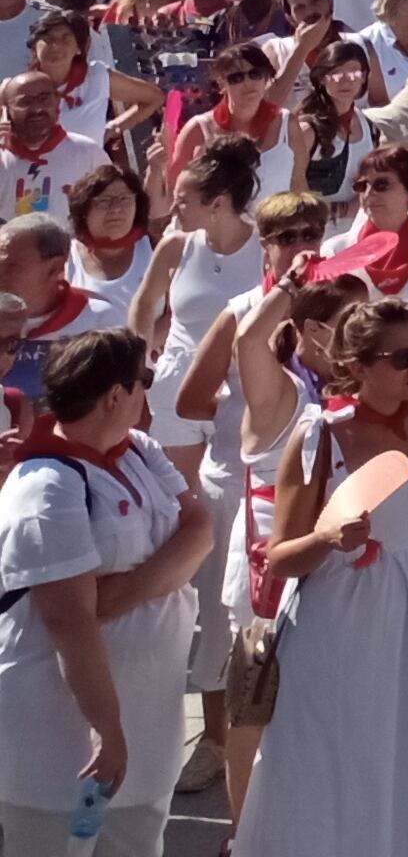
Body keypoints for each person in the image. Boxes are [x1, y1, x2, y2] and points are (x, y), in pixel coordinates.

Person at [230, 293, 408, 857]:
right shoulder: (320, 437)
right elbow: (278, 556)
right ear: (357, 367)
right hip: (333, 627)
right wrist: (327, 539)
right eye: (400, 358)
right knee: (325, 767)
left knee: (397, 759)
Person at [0, 331, 213, 857]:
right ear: (115, 395)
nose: (149, 393)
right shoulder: (45, 486)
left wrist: (112, 597)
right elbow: (70, 625)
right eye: (144, 381)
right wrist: (109, 730)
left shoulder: (140, 450)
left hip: (147, 730)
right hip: (67, 747)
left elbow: (201, 530)